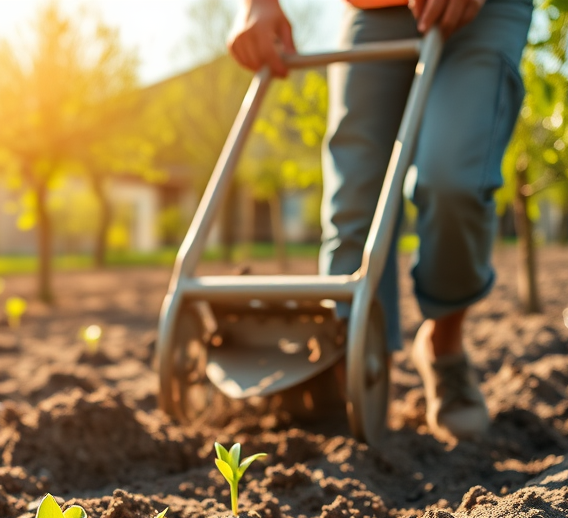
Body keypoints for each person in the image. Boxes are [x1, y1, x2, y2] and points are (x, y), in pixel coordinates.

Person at [227, 0, 533, 440]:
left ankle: (443, 345)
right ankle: (354, 366)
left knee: (453, 181)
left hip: (480, 12)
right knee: (354, 201)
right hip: (372, 8)